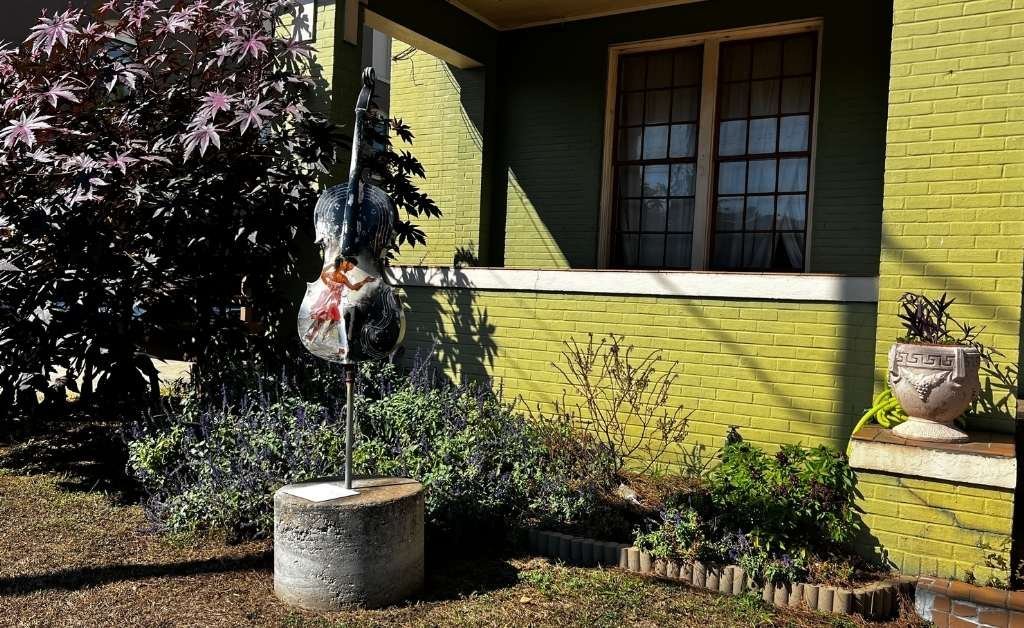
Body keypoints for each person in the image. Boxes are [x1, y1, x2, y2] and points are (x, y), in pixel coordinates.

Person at [304, 256, 376, 357]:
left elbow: (322, 275)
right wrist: (365, 281)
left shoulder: (334, 274)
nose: (351, 268)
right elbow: (353, 288)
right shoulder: (341, 276)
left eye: (353, 266)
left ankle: (310, 339)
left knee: (323, 321)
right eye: (351, 265)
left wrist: (331, 266)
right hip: (332, 302)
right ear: (345, 263)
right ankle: (337, 347)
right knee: (337, 322)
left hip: (328, 301)